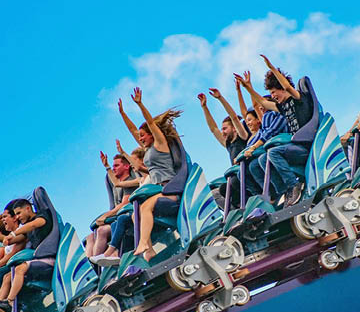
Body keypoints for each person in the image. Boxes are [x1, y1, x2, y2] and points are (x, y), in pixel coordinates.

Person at [235, 55, 314, 206]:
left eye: (273, 92)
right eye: (271, 94)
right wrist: (247, 88)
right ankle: (283, 191)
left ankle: (293, 185)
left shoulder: (298, 99)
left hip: (305, 148)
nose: (272, 96)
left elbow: (288, 87)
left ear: (281, 89)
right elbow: (262, 102)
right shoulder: (282, 108)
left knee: (273, 152)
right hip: (294, 147)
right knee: (263, 159)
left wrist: (271, 68)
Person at [119, 88, 182, 260]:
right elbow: (133, 130)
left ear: (152, 135)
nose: (140, 139)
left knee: (145, 207)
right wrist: (123, 114)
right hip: (157, 191)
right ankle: (151, 250)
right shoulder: (148, 151)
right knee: (134, 214)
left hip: (170, 191)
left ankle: (144, 243)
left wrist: (140, 104)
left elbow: (151, 124)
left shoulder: (160, 145)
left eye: (143, 136)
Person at [0, 198, 53, 312]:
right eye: (16, 214)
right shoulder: (27, 230)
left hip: (50, 259)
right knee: (7, 277)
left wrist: (13, 234)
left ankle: (10, 302)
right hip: (39, 260)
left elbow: (34, 224)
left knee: (20, 269)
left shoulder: (41, 216)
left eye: (18, 213)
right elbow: (9, 240)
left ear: (28, 208)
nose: (17, 217)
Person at [85, 152, 138, 263]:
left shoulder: (129, 182)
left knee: (102, 230)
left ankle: (100, 261)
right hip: (117, 218)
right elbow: (115, 183)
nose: (114, 169)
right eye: (113, 166)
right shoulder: (117, 184)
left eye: (116, 166)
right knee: (90, 237)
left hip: (128, 216)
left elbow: (124, 204)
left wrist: (105, 216)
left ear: (127, 166)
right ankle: (89, 268)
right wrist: (107, 166)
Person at [197, 90, 248, 165]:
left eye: (225, 128)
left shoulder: (242, 136)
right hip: (235, 175)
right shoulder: (227, 143)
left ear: (234, 128)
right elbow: (213, 129)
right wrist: (204, 107)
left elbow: (234, 117)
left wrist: (220, 98)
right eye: (222, 129)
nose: (222, 132)